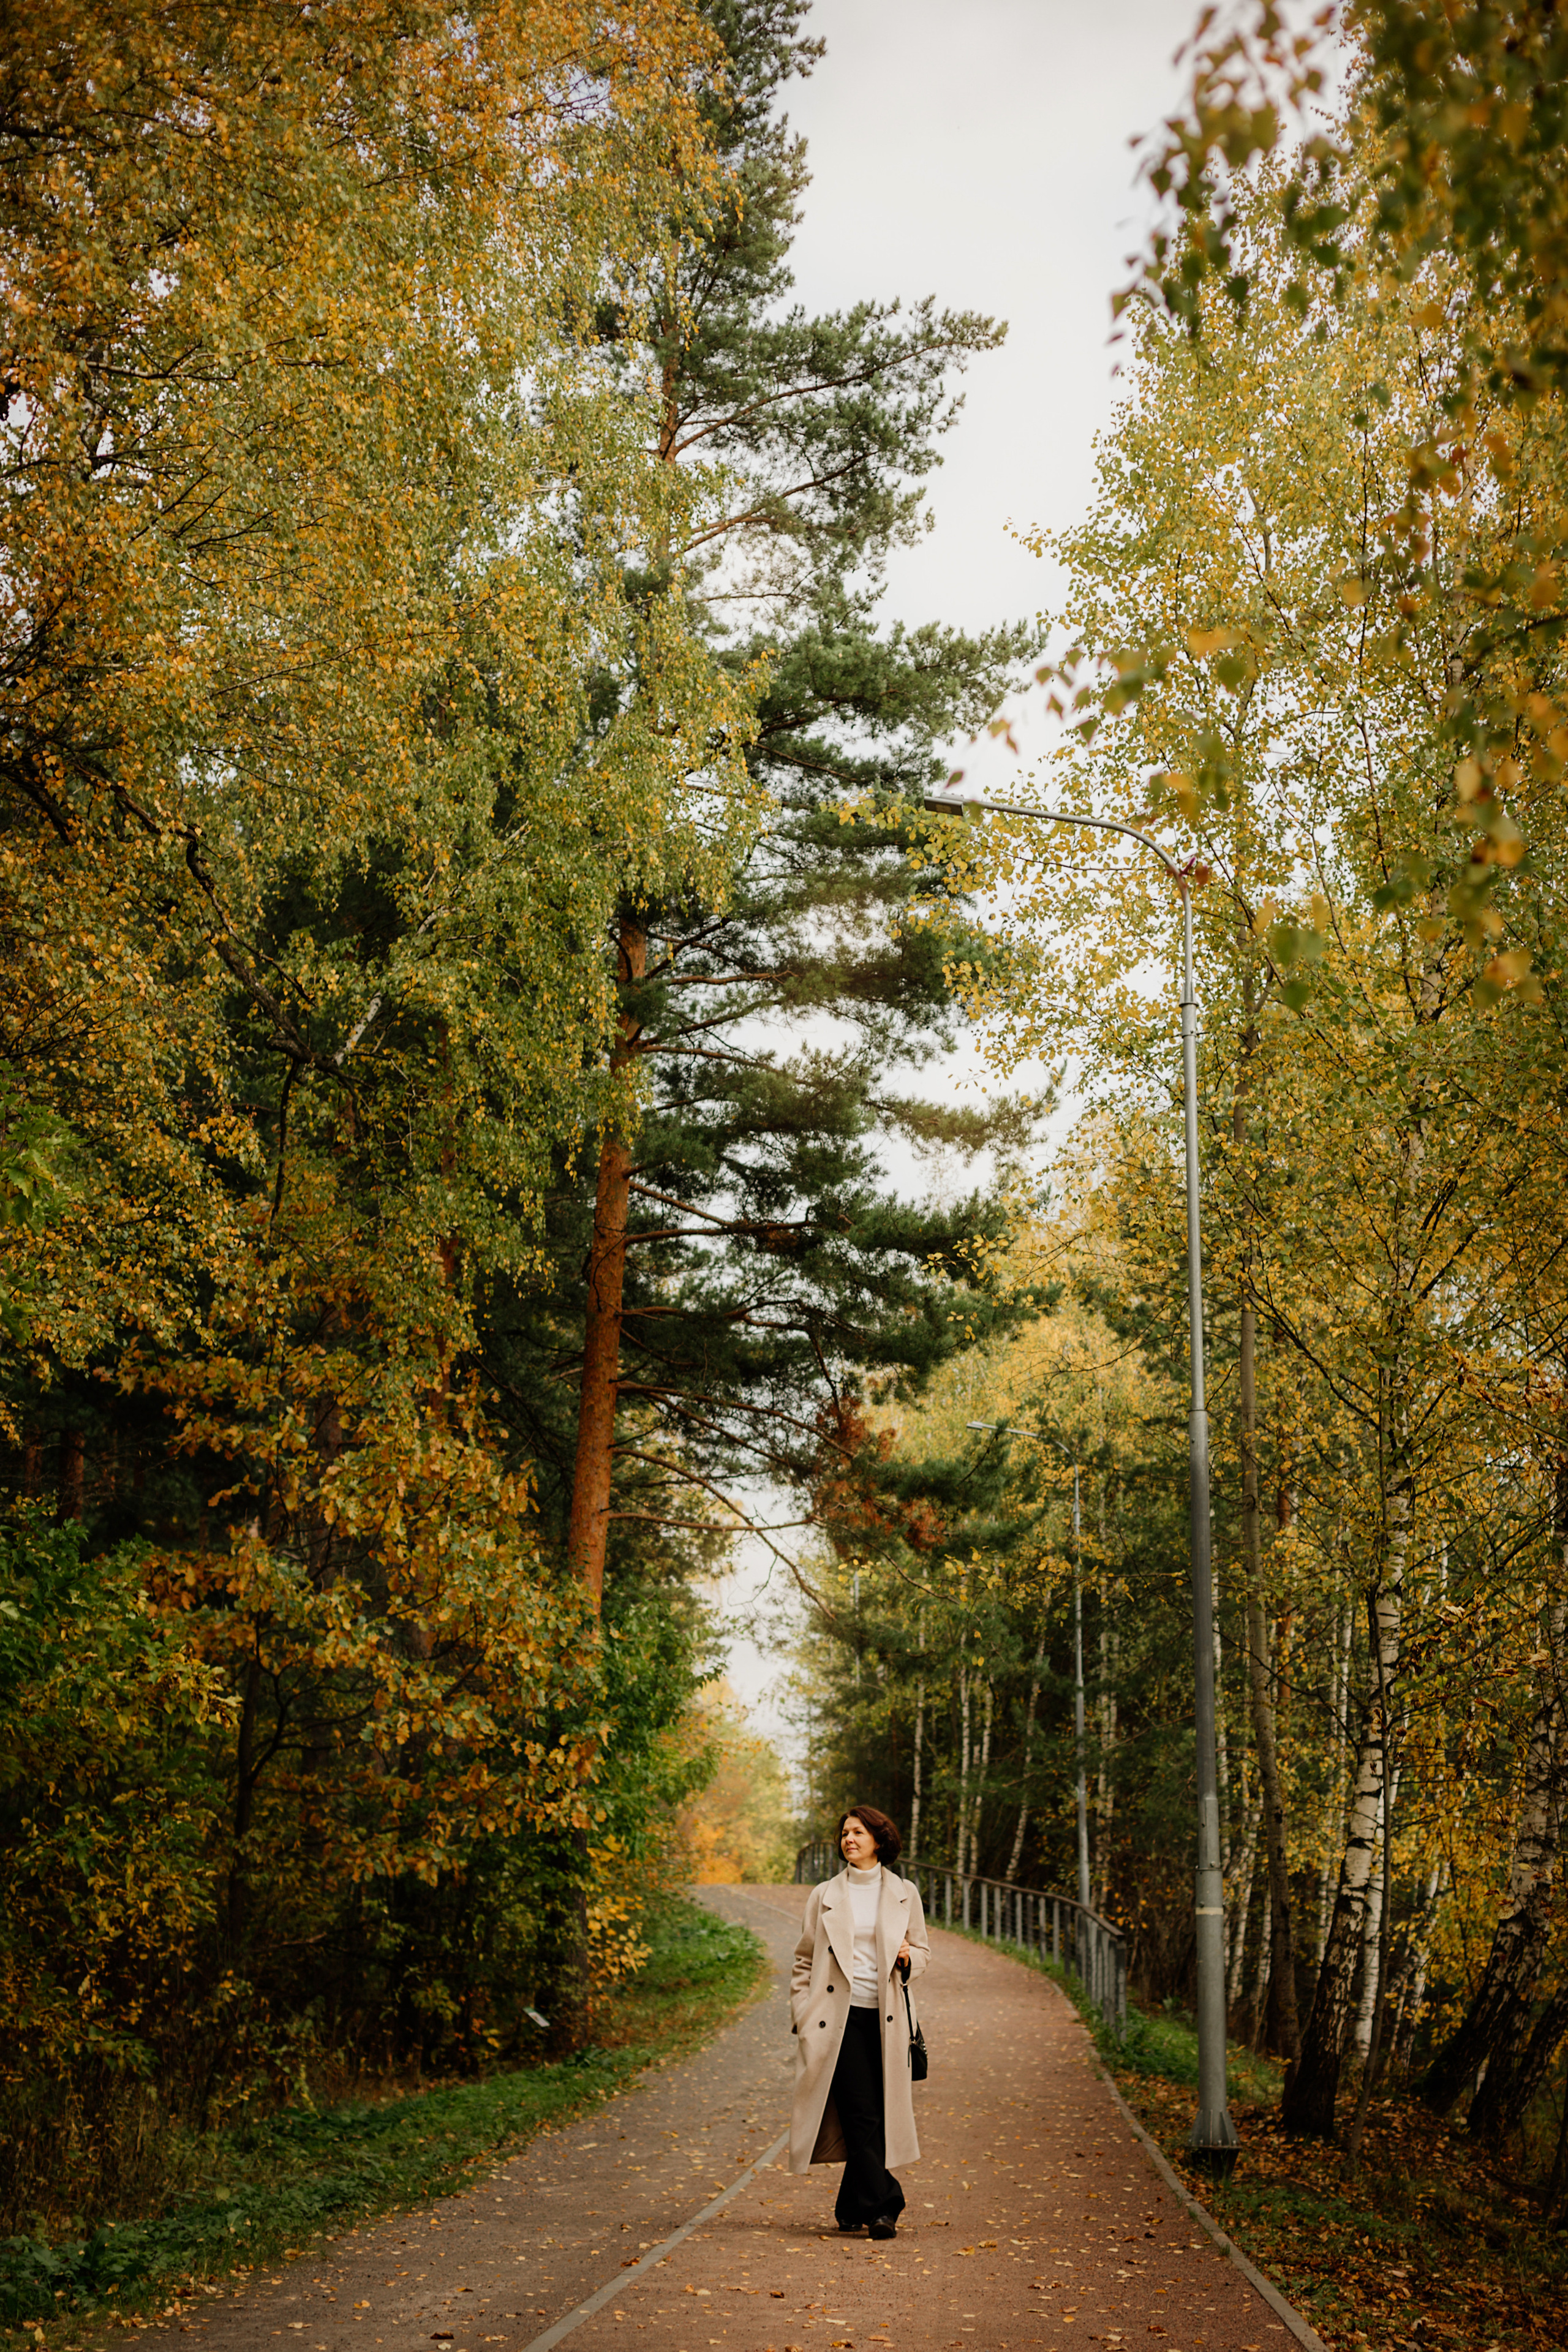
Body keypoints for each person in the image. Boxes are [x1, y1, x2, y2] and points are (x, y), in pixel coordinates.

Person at [788, 1804, 930, 2239]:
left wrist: (909, 1957)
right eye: (845, 1833)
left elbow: (923, 1951)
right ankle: (885, 2205)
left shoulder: (905, 1892)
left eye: (858, 1833)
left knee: (875, 2112)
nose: (849, 1839)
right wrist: (803, 2015)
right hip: (837, 2019)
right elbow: (803, 1960)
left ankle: (851, 2205)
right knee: (861, 2111)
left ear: (879, 1840)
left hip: (888, 2019)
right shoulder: (824, 1895)